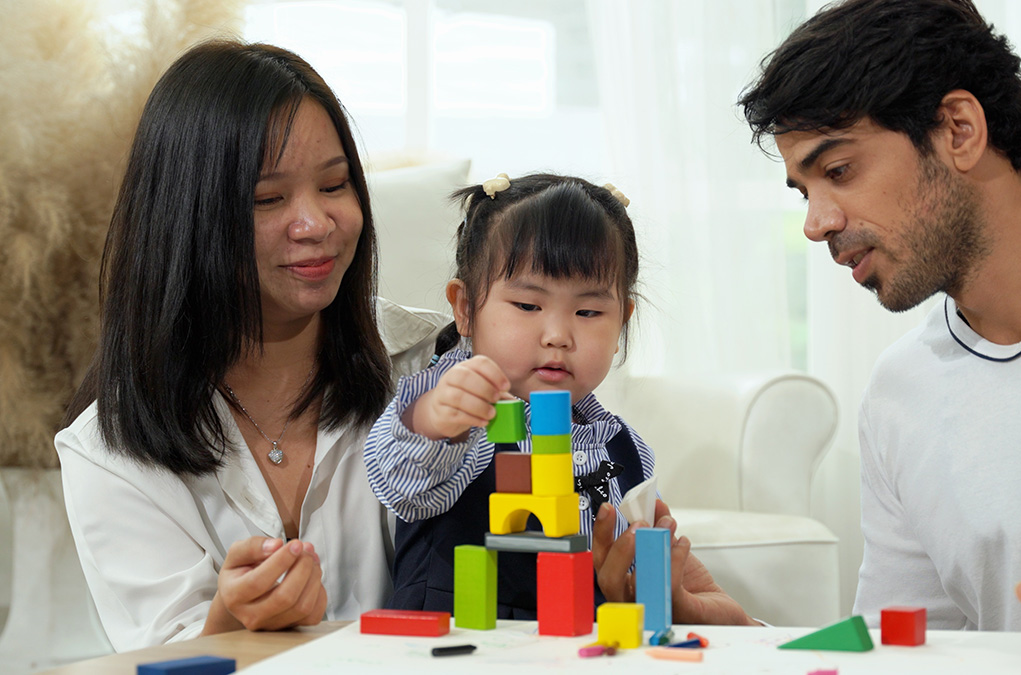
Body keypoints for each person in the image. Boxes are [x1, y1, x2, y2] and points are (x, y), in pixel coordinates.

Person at [739, 0, 1021, 664]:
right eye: (803, 190)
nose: (817, 222)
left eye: (838, 171)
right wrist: (742, 640)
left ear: (959, 129)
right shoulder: (902, 393)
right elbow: (900, 649)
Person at [55, 40, 445, 651]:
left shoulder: (432, 367)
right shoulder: (110, 450)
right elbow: (165, 657)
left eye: (336, 185)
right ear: (188, 215)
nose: (315, 224)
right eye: (268, 199)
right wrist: (226, 627)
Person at [363, 172, 755, 625]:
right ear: (466, 308)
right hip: (459, 646)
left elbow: (634, 569)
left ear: (622, 323)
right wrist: (431, 419)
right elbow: (398, 483)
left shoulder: (623, 447)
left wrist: (659, 586)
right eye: (528, 306)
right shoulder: (459, 416)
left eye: (588, 312)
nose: (557, 336)